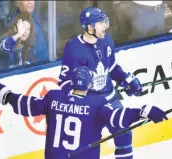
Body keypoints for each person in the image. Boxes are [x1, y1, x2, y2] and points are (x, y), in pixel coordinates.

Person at [0, 66, 168, 159]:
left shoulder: (54, 98)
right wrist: (144, 111)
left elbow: (27, 105)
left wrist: (5, 95)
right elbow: (118, 118)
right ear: (90, 85)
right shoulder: (97, 104)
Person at [57, 6, 143, 159]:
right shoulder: (74, 49)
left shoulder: (107, 41)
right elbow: (64, 82)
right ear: (90, 27)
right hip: (90, 106)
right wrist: (78, 102)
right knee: (85, 148)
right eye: (101, 23)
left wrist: (126, 79)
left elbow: (112, 67)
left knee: (124, 134)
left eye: (105, 21)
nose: (105, 25)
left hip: (110, 99)